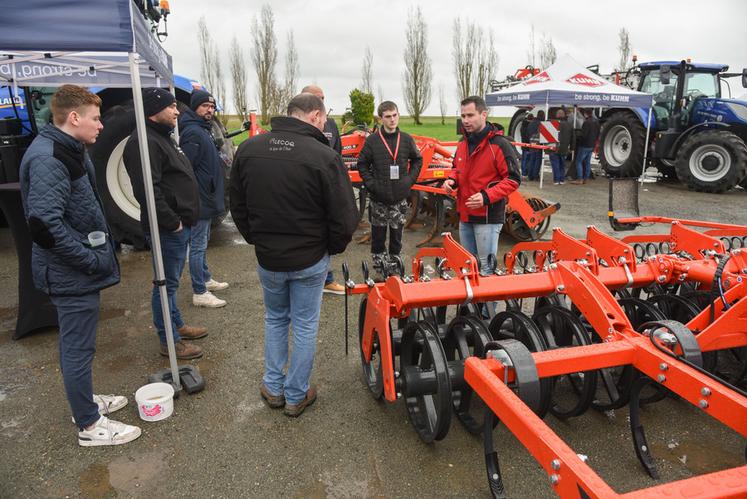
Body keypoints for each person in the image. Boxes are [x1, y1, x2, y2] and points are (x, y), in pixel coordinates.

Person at [19, 84, 141, 446]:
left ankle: (84, 402)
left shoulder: (69, 149)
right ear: (74, 118)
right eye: (95, 118)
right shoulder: (48, 158)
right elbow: (44, 226)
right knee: (77, 348)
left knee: (81, 345)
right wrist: (89, 260)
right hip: (70, 273)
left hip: (76, 271)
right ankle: (88, 424)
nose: (101, 126)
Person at [230, 93, 358, 417]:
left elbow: (237, 205)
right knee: (303, 324)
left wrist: (255, 239)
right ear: (315, 116)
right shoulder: (324, 156)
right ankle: (295, 394)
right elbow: (345, 216)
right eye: (324, 116)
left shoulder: (249, 149)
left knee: (275, 319)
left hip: (269, 258)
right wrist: (331, 248)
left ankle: (273, 386)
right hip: (309, 260)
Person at [123, 88, 206, 360]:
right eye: (170, 106)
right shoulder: (143, 142)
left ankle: (177, 325)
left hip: (177, 226)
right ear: (152, 111)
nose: (177, 111)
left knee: (170, 282)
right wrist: (173, 222)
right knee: (164, 285)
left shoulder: (161, 137)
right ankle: (168, 340)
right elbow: (148, 190)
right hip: (167, 229)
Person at [443, 96, 521, 276]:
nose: (465, 121)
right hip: (465, 215)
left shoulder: (500, 145)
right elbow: (456, 167)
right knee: (468, 266)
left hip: (488, 218)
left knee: (486, 270)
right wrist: (451, 180)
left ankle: (487, 305)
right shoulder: (463, 144)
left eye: (470, 115)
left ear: (484, 114)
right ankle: (471, 305)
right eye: (463, 116)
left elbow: (513, 179)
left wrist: (486, 197)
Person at [356, 101, 422, 281]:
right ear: (380, 118)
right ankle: (379, 268)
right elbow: (362, 164)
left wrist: (409, 181)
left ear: (398, 115)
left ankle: (395, 267)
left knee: (396, 236)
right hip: (379, 198)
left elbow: (417, 160)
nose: (392, 120)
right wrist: (371, 184)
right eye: (387, 116)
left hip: (399, 197)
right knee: (378, 236)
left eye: (394, 115)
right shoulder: (372, 141)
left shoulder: (407, 139)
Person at [178, 89, 229, 308]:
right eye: (204, 106)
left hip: (207, 196)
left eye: (211, 107)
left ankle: (206, 278)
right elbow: (187, 168)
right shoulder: (192, 133)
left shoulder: (203, 129)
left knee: (203, 242)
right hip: (200, 199)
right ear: (194, 107)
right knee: (197, 246)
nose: (209, 110)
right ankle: (199, 291)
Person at [300, 84, 345, 295]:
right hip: (304, 187)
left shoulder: (330, 124)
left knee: (326, 232)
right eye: (316, 98)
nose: (321, 102)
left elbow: (337, 152)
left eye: (323, 98)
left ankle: (326, 279)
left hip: (325, 188)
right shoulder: (295, 125)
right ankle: (306, 277)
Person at [572, 109, 600, 184]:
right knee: (587, 162)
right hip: (592, 145)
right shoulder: (596, 122)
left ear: (585, 114)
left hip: (584, 145)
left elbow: (584, 135)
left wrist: (578, 136)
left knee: (578, 161)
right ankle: (586, 178)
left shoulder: (586, 122)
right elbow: (598, 134)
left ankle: (580, 179)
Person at [549, 109, 571, 185]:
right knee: (562, 164)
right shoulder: (568, 124)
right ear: (564, 115)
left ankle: (556, 180)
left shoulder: (552, 124)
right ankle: (562, 180)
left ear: (556, 115)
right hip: (564, 148)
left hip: (554, 147)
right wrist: (572, 148)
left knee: (555, 164)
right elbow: (572, 137)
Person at [519, 113, 534, 179]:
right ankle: (525, 173)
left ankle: (523, 173)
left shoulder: (523, 125)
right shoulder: (528, 126)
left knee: (524, 159)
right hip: (527, 145)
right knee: (527, 160)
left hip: (523, 144)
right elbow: (528, 136)